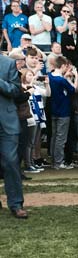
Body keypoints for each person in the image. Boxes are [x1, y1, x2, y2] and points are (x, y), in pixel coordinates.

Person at [0, 54, 27, 218]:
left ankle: (16, 204)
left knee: (11, 161)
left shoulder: (9, 64)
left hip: (7, 122)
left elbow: (16, 90)